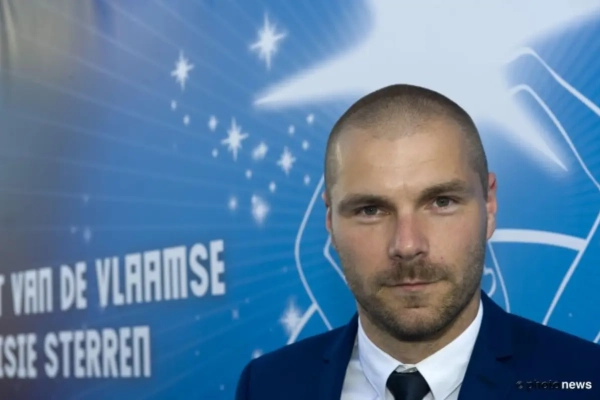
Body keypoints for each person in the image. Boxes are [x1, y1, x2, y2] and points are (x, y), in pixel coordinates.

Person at [234, 84, 600, 400]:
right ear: (330, 219)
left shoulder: (587, 379)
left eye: (441, 202)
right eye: (370, 210)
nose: (407, 245)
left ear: (489, 206)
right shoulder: (267, 386)